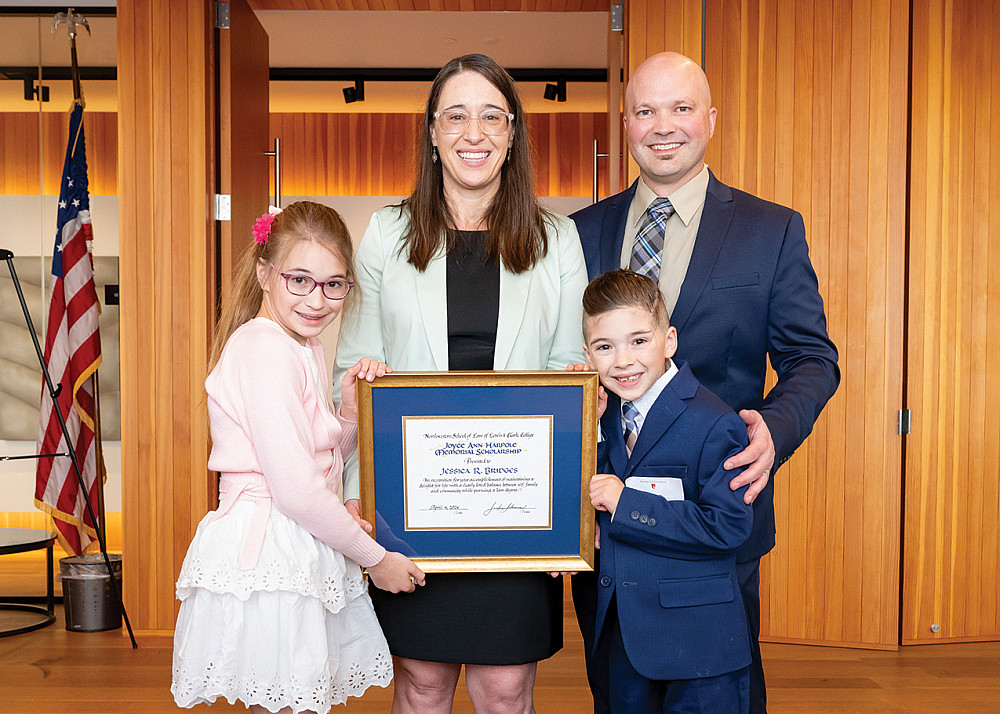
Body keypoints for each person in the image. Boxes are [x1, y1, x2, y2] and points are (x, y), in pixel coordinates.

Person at [571, 52, 840, 714]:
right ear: (626, 123)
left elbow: (813, 357)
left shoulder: (770, 229)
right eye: (645, 111)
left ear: (710, 119)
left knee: (719, 691)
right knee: (617, 690)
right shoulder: (577, 233)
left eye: (681, 108)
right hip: (605, 521)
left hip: (717, 518)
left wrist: (774, 432)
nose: (663, 126)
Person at [332, 54, 588, 713]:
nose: (473, 132)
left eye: (490, 116)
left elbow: (573, 383)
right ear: (432, 132)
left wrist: (568, 516)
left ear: (512, 133)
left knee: (505, 688)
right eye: (456, 115)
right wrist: (362, 515)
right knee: (421, 680)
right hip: (414, 511)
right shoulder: (387, 233)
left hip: (519, 509)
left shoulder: (557, 239)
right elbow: (352, 372)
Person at [171, 201, 425, 714]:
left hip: (297, 538)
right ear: (265, 273)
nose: (318, 300)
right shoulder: (263, 349)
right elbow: (297, 490)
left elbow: (318, 462)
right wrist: (376, 561)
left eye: (335, 284)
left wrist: (350, 411)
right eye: (301, 281)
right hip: (270, 543)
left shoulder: (300, 346)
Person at [583, 269, 753, 713]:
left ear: (669, 340)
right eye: (605, 347)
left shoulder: (715, 421)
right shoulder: (602, 418)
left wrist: (628, 504)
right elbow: (594, 494)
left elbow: (729, 526)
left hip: (698, 647)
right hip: (622, 638)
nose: (622, 361)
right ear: (588, 353)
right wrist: (592, 434)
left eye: (639, 341)